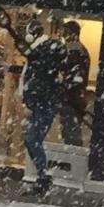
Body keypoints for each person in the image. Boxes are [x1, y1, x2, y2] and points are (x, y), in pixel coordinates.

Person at [19, 22, 66, 196]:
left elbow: (37, 80)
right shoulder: (43, 52)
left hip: (42, 103)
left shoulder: (41, 52)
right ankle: (43, 177)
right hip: (44, 102)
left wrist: (29, 103)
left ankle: (43, 178)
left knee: (32, 139)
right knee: (31, 139)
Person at [56, 20, 91, 147]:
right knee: (70, 130)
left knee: (71, 132)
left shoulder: (74, 50)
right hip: (74, 97)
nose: (63, 36)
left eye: (64, 32)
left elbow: (75, 77)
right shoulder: (78, 50)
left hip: (71, 98)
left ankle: (72, 157)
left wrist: (63, 85)